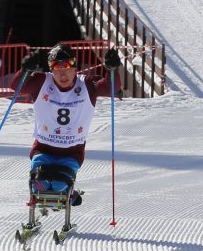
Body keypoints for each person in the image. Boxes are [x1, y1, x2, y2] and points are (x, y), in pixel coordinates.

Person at [12, 42, 121, 203]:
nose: (62, 75)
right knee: (38, 184)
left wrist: (112, 69)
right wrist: (25, 70)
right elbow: (17, 87)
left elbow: (111, 88)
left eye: (67, 68)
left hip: (72, 151)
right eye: (57, 69)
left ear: (75, 68)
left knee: (57, 185)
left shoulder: (87, 84)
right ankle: (41, 198)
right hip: (43, 147)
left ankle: (69, 194)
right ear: (51, 70)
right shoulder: (42, 82)